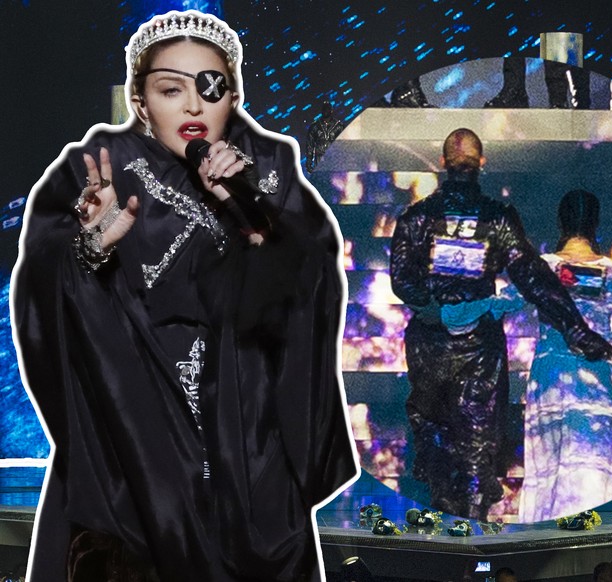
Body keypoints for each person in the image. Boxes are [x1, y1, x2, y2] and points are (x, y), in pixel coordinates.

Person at [12, 11, 356, 581]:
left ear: (235, 95)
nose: (194, 107)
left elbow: (313, 297)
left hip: (249, 454)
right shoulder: (95, 171)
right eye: (171, 89)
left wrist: (256, 229)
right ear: (141, 101)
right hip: (130, 451)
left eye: (211, 87)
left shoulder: (270, 175)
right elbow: (41, 293)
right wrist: (90, 250)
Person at [389, 128, 612, 520]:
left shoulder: (417, 217)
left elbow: (402, 280)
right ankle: (469, 531)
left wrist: (439, 308)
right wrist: (575, 327)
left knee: (441, 437)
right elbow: (531, 276)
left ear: (443, 163)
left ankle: (453, 534)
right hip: (473, 348)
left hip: (435, 345)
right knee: (473, 441)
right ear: (482, 164)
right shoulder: (494, 218)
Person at [519, 189, 612, 522]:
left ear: (560, 220)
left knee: (545, 472)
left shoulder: (542, 267)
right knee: (589, 474)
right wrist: (596, 347)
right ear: (596, 224)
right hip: (595, 383)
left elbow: (509, 306)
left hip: (550, 380)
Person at [305, 101, 344, 173]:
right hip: (320, 158)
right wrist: (309, 161)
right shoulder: (315, 126)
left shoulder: (339, 126)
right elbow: (310, 145)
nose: (325, 111)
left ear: (331, 110)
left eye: (327, 109)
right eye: (324, 109)